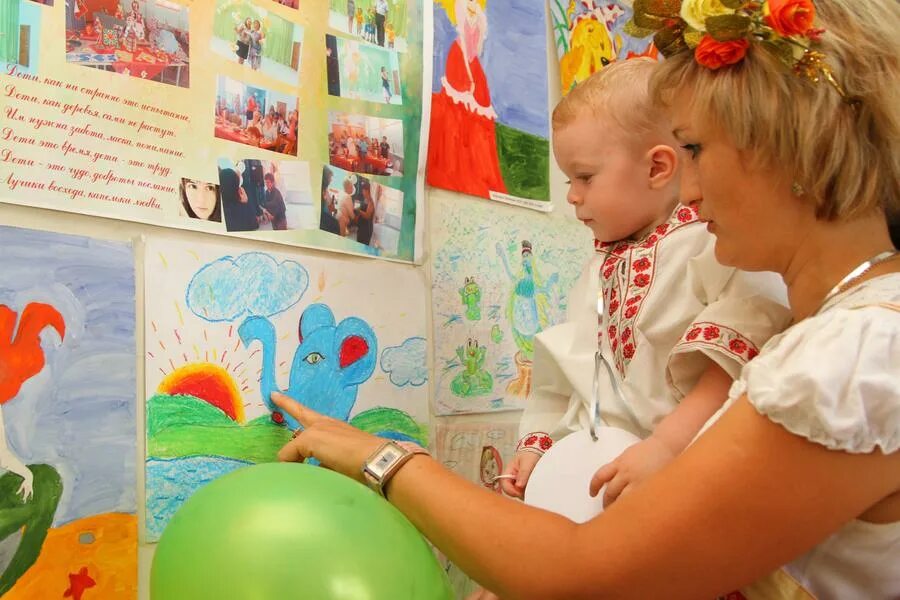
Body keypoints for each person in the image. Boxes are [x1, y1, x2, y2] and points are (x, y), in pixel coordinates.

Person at [272, 1, 900, 598]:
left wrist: (383, 458)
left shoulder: (858, 353)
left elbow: (585, 571)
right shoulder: (837, 334)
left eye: (697, 149)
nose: (687, 180)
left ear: (793, 144)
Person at [499, 59, 789, 509]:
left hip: (684, 480)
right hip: (601, 480)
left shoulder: (715, 243)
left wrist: (664, 448)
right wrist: (538, 446)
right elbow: (566, 377)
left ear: (657, 167)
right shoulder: (599, 267)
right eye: (568, 180)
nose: (573, 196)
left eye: (585, 177)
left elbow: (732, 368)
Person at [427, 0, 507, 197]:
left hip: (472, 78)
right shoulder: (458, 42)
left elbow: (474, 59)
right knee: (459, 119)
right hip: (460, 83)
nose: (471, 18)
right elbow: (459, 70)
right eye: (468, 14)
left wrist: (474, 90)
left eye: (474, 14)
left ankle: (479, 169)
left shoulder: (475, 39)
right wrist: (468, 89)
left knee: (480, 124)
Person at [319, 167, 341, 235]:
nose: (331, 180)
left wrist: (333, 210)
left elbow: (330, 208)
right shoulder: (322, 190)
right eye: (330, 177)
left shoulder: (325, 190)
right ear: (325, 178)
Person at [355, 178, 376, 245]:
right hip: (361, 227)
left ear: (368, 191)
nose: (363, 192)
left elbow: (368, 216)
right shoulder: (365, 199)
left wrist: (359, 210)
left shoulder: (371, 202)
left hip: (366, 229)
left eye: (364, 191)